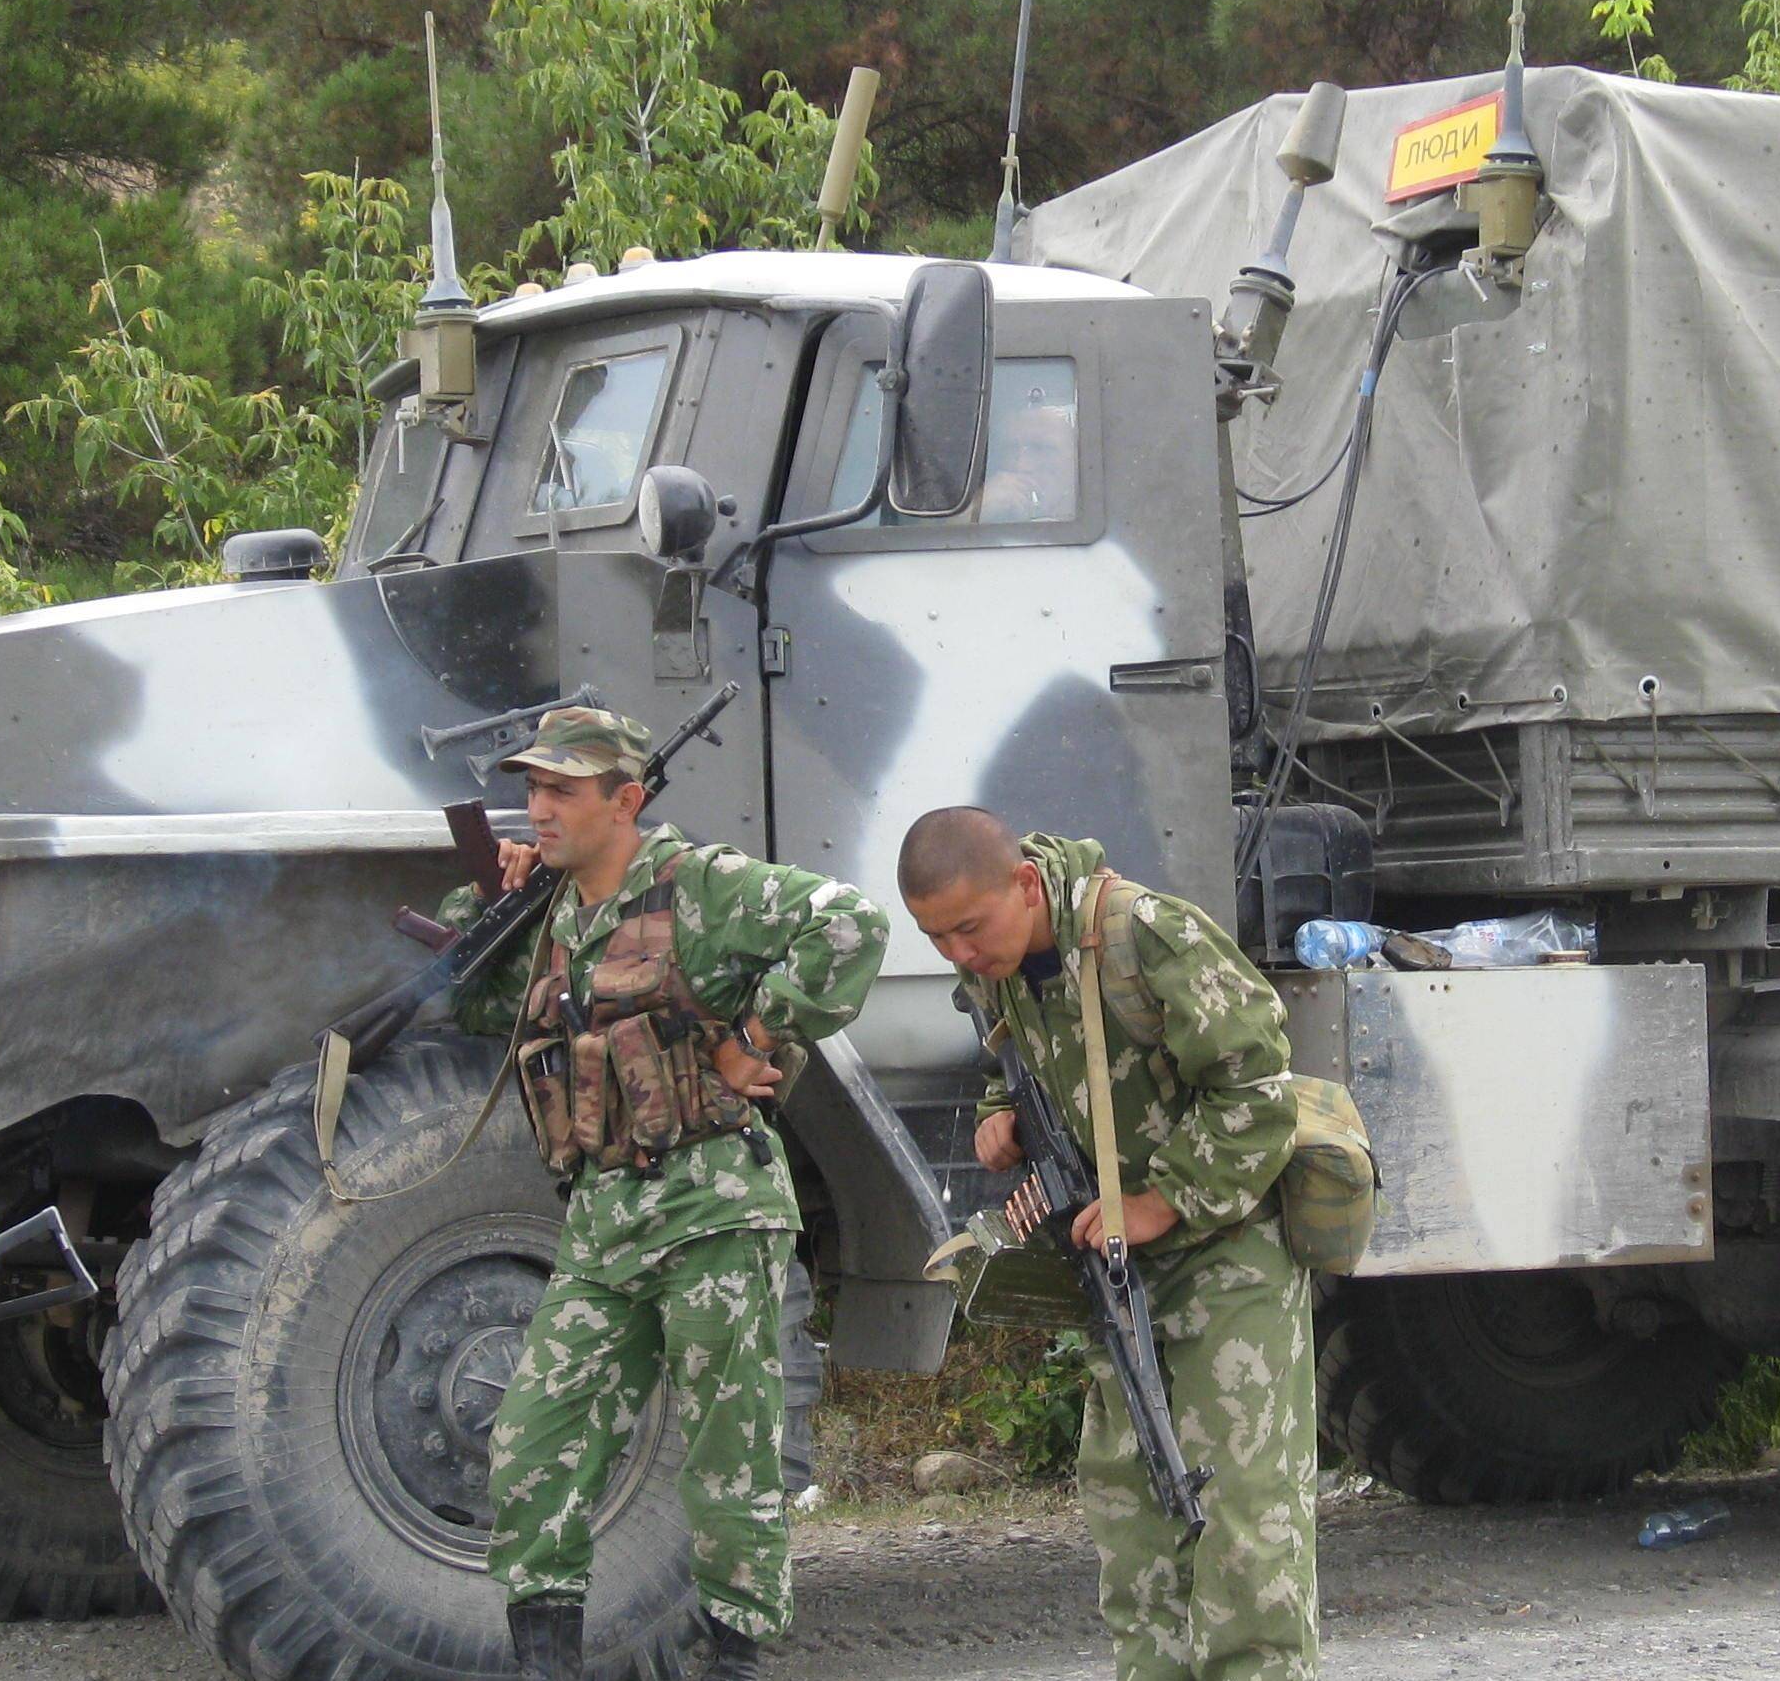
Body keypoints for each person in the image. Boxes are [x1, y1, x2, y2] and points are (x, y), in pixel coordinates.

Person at [448, 708, 887, 1681]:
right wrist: (491, 897)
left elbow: (851, 923)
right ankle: (545, 1659)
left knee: (728, 1455)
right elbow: (471, 1001)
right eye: (534, 790)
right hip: (605, 1224)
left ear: (627, 800)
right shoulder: (554, 912)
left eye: (564, 790)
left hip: (713, 1208)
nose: (539, 808)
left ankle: (733, 1658)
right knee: (532, 1443)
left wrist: (759, 1039)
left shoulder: (705, 890)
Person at [897, 806, 1317, 1681]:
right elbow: (1015, 1064)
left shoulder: (1145, 935)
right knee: (1135, 1527)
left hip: (1222, 1255)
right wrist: (999, 1117)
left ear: (1022, 885)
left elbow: (1263, 1086)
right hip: (1116, 1274)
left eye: (969, 930)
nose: (961, 957)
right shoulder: (1002, 971)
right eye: (938, 941)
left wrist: (1165, 1198)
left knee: (1243, 1527)